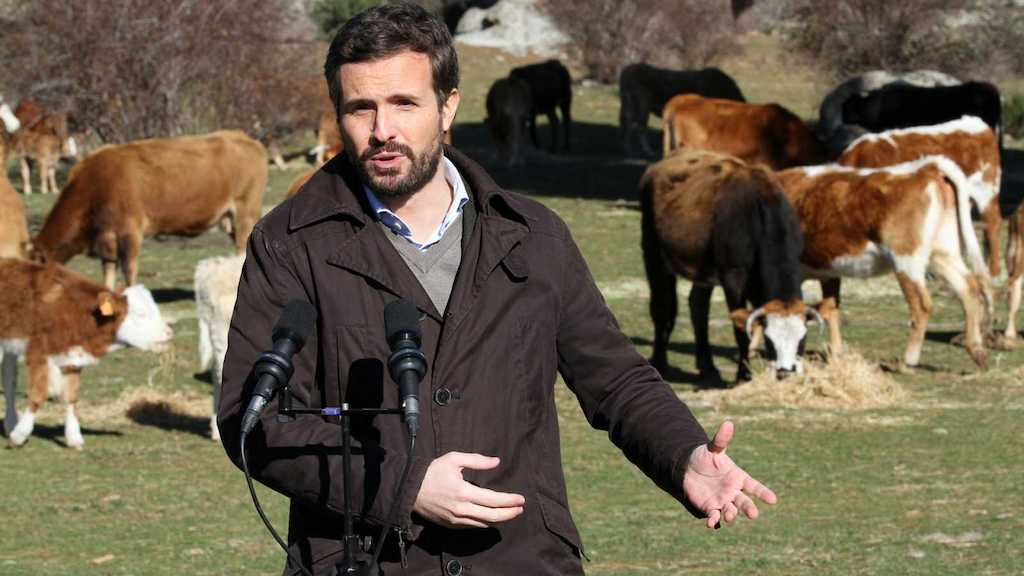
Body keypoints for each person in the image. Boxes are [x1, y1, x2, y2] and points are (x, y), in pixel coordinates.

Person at [217, 2, 777, 575]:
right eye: (361, 108)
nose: (382, 131)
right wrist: (401, 487)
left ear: (448, 106)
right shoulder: (291, 242)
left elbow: (617, 380)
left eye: (404, 104)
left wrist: (682, 456)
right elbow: (251, 419)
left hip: (520, 558)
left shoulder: (533, 236)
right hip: (367, 561)